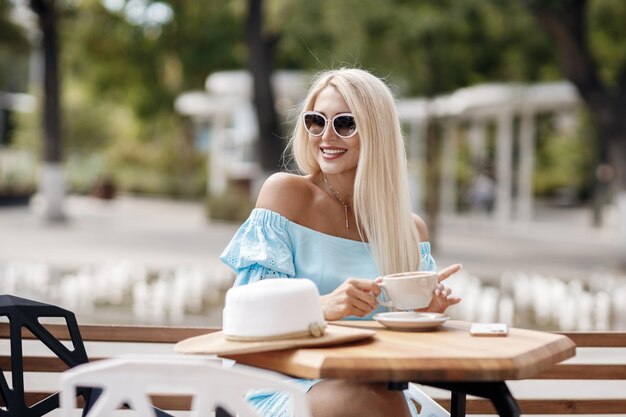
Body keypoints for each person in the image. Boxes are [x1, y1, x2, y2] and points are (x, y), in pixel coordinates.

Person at [220, 68, 462, 417]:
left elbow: (406, 357)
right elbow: (246, 319)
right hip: (281, 386)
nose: (326, 136)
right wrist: (322, 307)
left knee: (377, 397)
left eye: (345, 123)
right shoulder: (286, 194)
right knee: (370, 399)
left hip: (377, 391)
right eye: (316, 121)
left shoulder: (408, 231)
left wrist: (423, 317)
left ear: (376, 132)